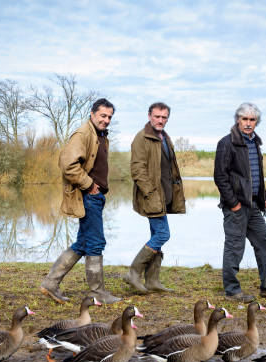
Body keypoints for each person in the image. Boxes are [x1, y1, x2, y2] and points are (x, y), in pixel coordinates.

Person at [39, 98, 121, 305]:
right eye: (103, 115)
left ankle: (50, 283)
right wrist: (88, 184)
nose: (106, 120)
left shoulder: (100, 135)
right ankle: (97, 292)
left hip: (96, 196)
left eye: (109, 117)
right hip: (88, 196)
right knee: (95, 243)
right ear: (92, 114)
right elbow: (67, 163)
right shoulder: (84, 133)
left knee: (83, 243)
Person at [213, 102, 266, 302]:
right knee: (234, 247)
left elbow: (257, 175)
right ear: (238, 120)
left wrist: (262, 198)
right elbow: (220, 177)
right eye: (245, 119)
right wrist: (233, 204)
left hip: (254, 206)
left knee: (264, 242)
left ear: (256, 122)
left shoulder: (256, 143)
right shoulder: (226, 143)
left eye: (252, 120)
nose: (248, 123)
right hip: (236, 208)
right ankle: (232, 291)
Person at [123, 102, 186, 293]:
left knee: (156, 235)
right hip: (152, 196)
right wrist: (150, 193)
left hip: (164, 196)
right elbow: (137, 169)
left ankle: (152, 281)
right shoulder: (141, 138)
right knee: (162, 234)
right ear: (149, 115)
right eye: (157, 116)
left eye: (164, 117)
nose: (160, 120)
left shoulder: (165, 137)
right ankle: (133, 273)